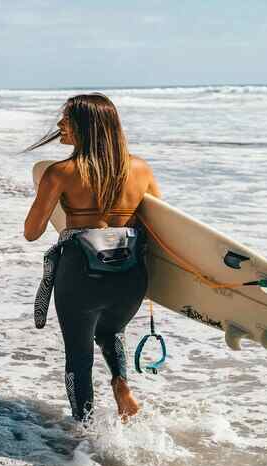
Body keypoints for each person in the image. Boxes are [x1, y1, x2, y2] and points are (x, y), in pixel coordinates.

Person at [23, 93, 161, 422]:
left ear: (88, 126)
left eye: (67, 120)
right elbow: (160, 226)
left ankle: (82, 433)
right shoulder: (141, 169)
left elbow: (32, 231)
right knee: (112, 332)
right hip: (130, 277)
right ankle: (120, 383)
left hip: (81, 275)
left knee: (79, 357)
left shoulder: (61, 172)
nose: (59, 126)